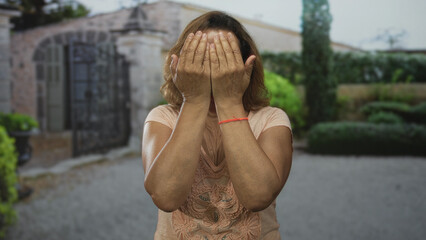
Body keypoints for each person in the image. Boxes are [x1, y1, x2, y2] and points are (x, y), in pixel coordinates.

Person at [142, 11, 293, 240]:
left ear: (246, 66)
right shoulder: (162, 117)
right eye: (200, 56)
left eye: (224, 56)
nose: (213, 68)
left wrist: (229, 100)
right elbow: (165, 197)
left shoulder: (272, 119)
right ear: (179, 65)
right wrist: (193, 100)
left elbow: (258, 197)